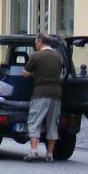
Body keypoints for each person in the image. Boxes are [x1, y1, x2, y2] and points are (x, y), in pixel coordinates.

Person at [22, 32, 63, 162]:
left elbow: (25, 73)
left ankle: (34, 151)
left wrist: (32, 74)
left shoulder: (36, 56)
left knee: (34, 121)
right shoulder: (58, 57)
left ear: (40, 42)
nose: (36, 44)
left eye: (36, 42)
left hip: (40, 93)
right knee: (52, 124)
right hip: (56, 94)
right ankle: (49, 154)